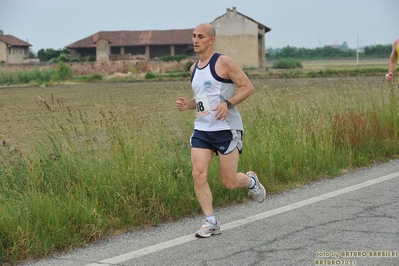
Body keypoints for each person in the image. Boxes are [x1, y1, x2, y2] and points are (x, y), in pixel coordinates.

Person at [176, 23, 266, 238]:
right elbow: (202, 99)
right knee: (198, 174)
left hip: (227, 129)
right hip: (202, 130)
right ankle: (210, 221)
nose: (195, 40)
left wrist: (228, 103)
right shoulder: (193, 68)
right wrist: (187, 105)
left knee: (230, 182)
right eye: (193, 36)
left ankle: (251, 180)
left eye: (200, 36)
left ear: (211, 40)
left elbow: (247, 87)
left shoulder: (224, 62)